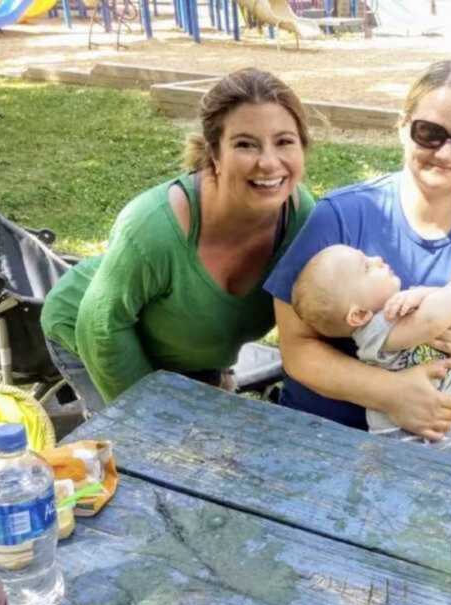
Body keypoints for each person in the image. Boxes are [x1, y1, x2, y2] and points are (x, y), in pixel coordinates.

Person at [265, 60, 451, 442]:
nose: (445, 153)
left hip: (441, 451)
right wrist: (390, 393)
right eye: (429, 133)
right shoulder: (340, 217)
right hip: (325, 438)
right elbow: (297, 348)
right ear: (402, 126)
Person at [41, 68, 315, 412]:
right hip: (93, 328)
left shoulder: (302, 219)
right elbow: (101, 326)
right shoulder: (152, 225)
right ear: (213, 152)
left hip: (188, 351)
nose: (268, 162)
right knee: (141, 453)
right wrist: (150, 423)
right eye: (245, 144)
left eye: (284, 141)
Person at [291, 244, 451, 461]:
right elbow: (432, 320)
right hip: (405, 444)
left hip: (441, 437)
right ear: (359, 315)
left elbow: (446, 309)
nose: (377, 258)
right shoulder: (374, 332)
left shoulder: (396, 313)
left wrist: (421, 293)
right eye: (367, 267)